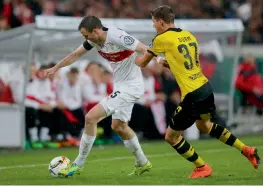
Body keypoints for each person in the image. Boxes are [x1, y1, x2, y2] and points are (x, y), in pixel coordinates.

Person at [135, 5, 260, 179]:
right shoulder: (188, 35)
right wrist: (168, 63)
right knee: (205, 125)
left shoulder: (160, 38)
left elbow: (142, 63)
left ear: (161, 22)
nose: (154, 26)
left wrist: (132, 56)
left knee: (171, 136)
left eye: (154, 23)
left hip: (191, 94)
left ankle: (202, 167)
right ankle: (246, 149)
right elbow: (188, 64)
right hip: (205, 88)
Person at [44, 15, 152, 177]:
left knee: (90, 117)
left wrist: (159, 60)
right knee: (119, 127)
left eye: (86, 35)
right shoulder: (94, 40)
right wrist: (55, 68)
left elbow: (144, 48)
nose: (85, 39)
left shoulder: (117, 36)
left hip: (131, 86)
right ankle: (143, 162)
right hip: (121, 85)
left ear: (95, 31)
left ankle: (77, 164)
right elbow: (75, 55)